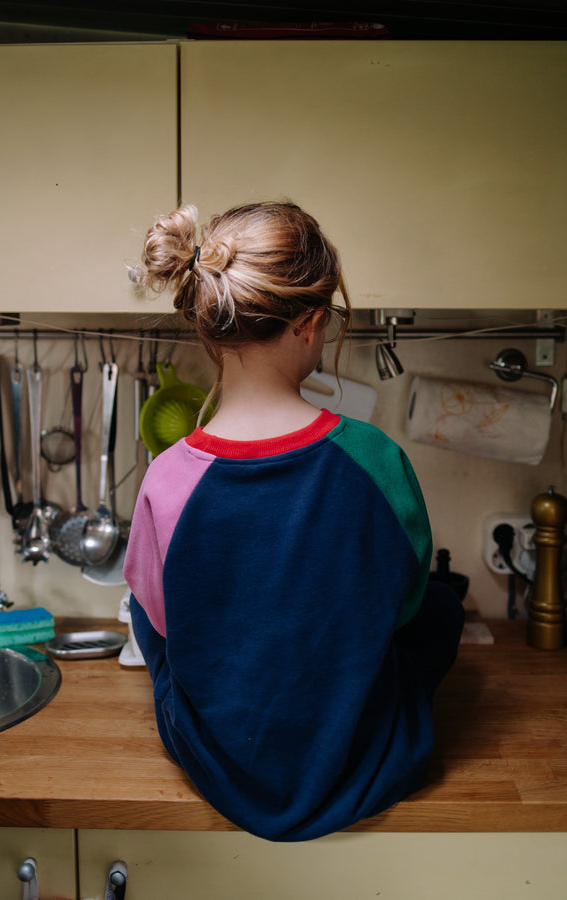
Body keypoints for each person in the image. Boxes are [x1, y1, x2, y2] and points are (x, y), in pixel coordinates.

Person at [123, 201, 464, 842]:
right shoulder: (376, 458)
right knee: (440, 608)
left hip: (215, 764)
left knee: (151, 608)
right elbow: (405, 603)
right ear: (310, 325)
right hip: (366, 762)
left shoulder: (168, 476)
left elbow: (159, 623)